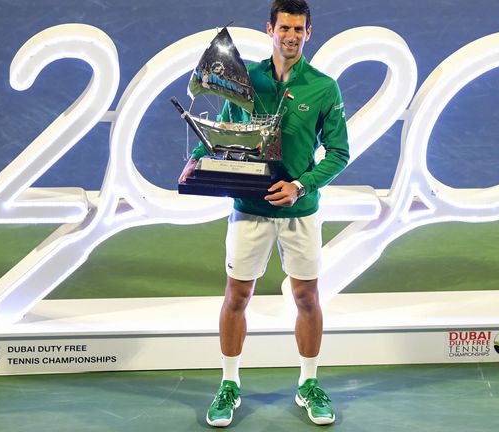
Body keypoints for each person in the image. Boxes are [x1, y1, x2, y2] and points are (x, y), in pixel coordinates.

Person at [178, 0, 349, 427]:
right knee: (237, 296)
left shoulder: (324, 87)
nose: (291, 36)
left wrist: (300, 185)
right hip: (249, 208)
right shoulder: (246, 79)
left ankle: (309, 383)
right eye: (284, 27)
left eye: (299, 29)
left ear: (309, 33)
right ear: (269, 29)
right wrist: (198, 157)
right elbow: (225, 127)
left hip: (300, 210)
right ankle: (228, 385)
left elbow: (340, 153)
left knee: (307, 297)